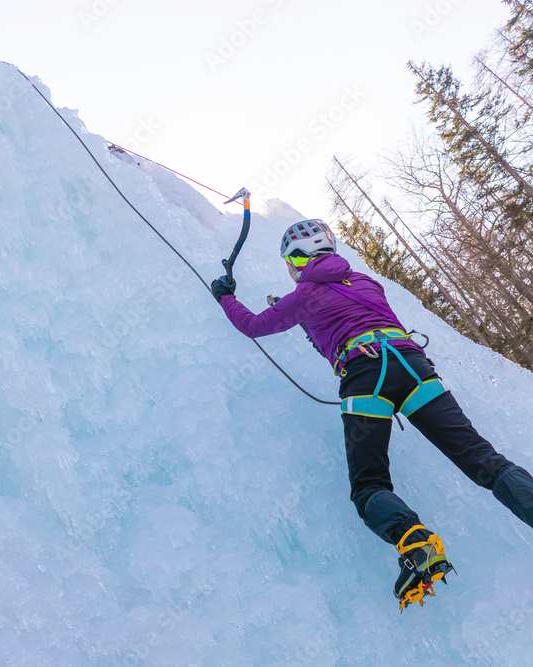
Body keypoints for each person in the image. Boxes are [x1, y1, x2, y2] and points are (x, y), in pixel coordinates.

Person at [210, 218, 533, 610]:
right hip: (413, 365)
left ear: (298, 259)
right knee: (483, 460)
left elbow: (254, 326)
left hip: (366, 375)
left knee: (368, 485)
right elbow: (338, 314)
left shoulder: (304, 294)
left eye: (291, 262)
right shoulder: (365, 282)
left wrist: (226, 296)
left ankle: (417, 544)